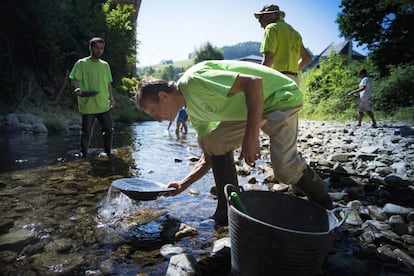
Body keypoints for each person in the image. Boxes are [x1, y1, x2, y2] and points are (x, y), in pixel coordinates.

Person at [136, 60, 333, 225]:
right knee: (216, 142)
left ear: (163, 96)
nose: (159, 120)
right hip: (251, 109)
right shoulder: (193, 112)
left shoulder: (194, 81)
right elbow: (208, 157)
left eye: (154, 112)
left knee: (285, 169)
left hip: (280, 97)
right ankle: (227, 210)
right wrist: (182, 184)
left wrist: (251, 135)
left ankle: (325, 205)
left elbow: (254, 84)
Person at [69, 37, 115, 158]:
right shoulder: (81, 63)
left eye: (101, 48)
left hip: (103, 104)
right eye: (96, 48)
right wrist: (77, 88)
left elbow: (108, 83)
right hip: (88, 104)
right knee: (86, 133)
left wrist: (112, 98)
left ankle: (108, 152)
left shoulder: (105, 65)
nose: (99, 51)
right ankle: (84, 155)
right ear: (90, 48)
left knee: (109, 130)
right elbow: (74, 79)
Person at [254, 4, 312, 84]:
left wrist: (258, 78)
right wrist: (292, 71)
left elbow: (269, 59)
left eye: (261, 20)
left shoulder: (271, 28)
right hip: (295, 80)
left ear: (268, 16)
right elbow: (307, 58)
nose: (261, 26)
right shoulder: (294, 32)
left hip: (278, 78)